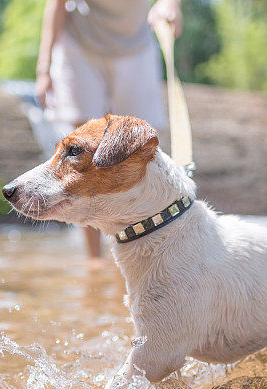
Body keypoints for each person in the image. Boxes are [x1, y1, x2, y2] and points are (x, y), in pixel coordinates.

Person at [35, 0, 182, 261]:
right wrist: (44, 68)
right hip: (80, 44)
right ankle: (95, 261)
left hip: (136, 45)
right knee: (82, 154)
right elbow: (56, 4)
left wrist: (170, 4)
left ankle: (147, 255)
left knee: (142, 146)